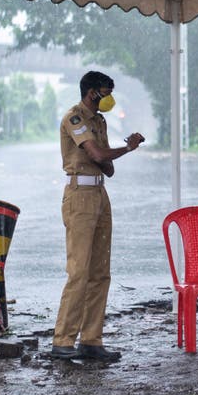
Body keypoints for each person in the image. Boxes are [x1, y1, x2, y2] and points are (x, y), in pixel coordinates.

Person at [50, 71, 145, 362]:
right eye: (105, 93)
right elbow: (95, 154)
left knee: (100, 272)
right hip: (80, 195)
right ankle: (63, 339)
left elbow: (107, 166)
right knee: (79, 271)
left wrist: (116, 152)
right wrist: (125, 148)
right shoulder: (75, 118)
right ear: (91, 92)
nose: (109, 99)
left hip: (100, 195)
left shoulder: (99, 121)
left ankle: (91, 339)